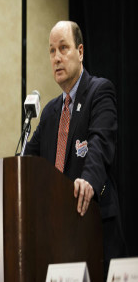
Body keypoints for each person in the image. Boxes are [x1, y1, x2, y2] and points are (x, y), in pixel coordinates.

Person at [24, 20, 126, 279]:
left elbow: (100, 144)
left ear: (80, 52)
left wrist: (88, 180)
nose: (57, 57)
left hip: (94, 223)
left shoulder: (99, 92)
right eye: (51, 51)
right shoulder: (49, 113)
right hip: (58, 233)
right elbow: (27, 163)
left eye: (63, 48)